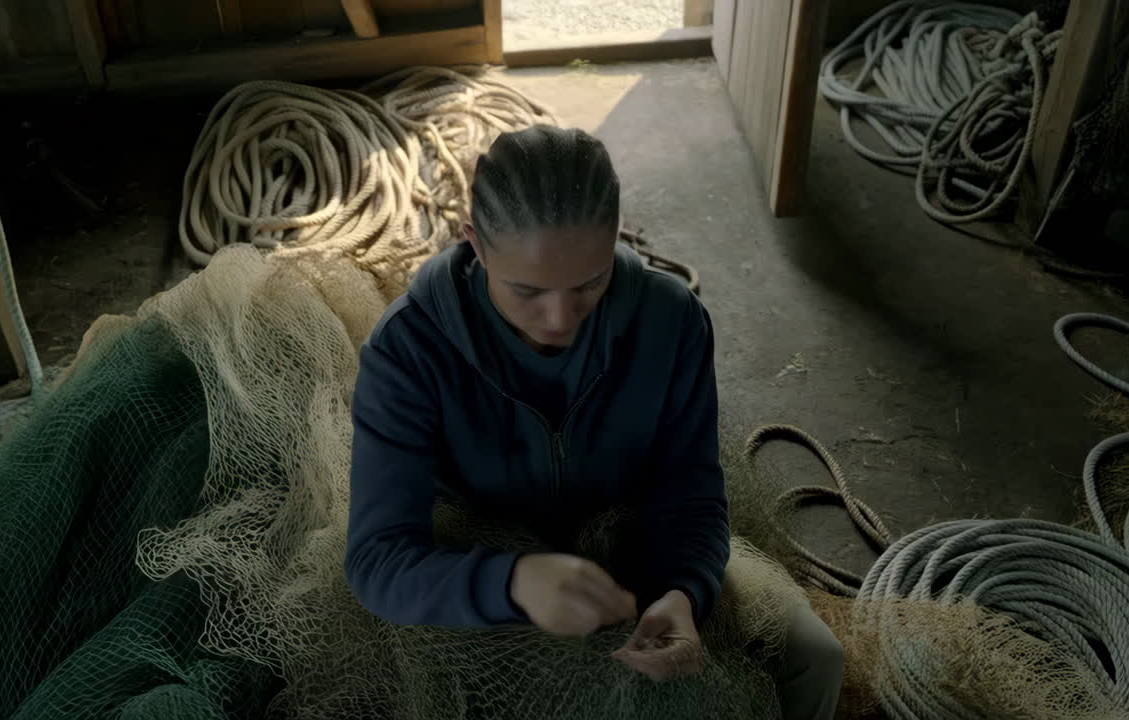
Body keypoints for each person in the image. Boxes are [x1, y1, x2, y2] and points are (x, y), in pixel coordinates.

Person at [345, 125, 843, 719]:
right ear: (474, 245)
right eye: (526, 290)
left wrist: (684, 594)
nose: (560, 318)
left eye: (590, 283)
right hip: (475, 558)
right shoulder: (407, 351)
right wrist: (511, 583)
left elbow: (691, 498)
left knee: (816, 657)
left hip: (631, 546)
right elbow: (378, 561)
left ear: (615, 239)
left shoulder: (672, 321)